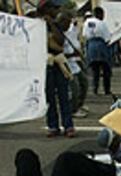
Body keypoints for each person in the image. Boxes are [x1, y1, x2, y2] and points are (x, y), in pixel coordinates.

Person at [37, 0, 75, 137]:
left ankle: (68, 125)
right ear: (46, 9)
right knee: (49, 97)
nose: (58, 10)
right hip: (46, 64)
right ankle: (53, 126)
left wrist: (52, 24)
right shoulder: (37, 24)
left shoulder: (56, 25)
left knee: (63, 96)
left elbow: (60, 41)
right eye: (55, 7)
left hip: (59, 63)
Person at [83, 6, 112, 95]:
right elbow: (107, 38)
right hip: (100, 45)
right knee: (106, 69)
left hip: (91, 46)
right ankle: (106, 89)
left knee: (95, 70)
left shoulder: (87, 22)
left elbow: (84, 35)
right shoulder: (102, 23)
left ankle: (95, 89)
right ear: (99, 14)